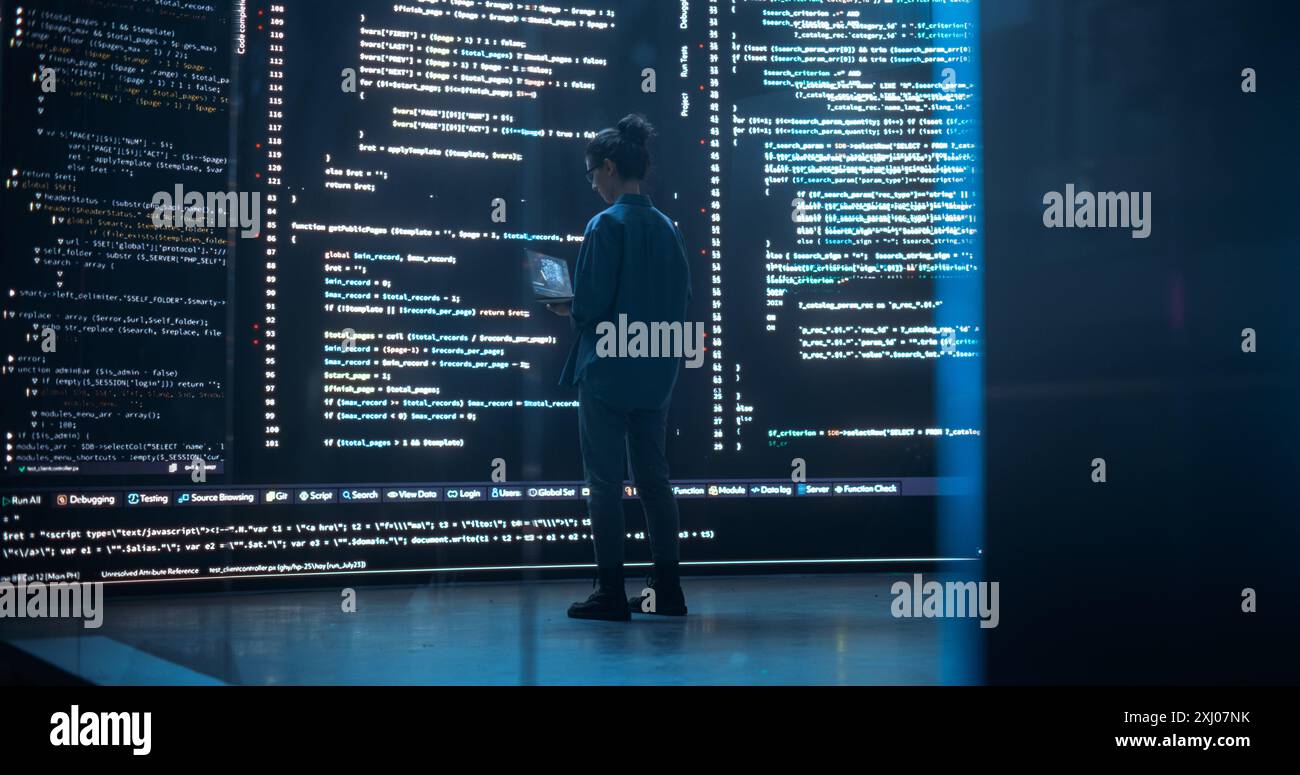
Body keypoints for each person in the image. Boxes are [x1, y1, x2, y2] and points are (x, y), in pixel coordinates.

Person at [547, 114, 691, 621]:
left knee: (604, 482)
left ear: (608, 167)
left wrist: (566, 305)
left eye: (592, 175)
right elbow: (682, 299)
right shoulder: (668, 227)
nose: (592, 185)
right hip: (657, 368)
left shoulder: (605, 225)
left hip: (607, 370)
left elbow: (590, 303)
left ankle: (609, 591)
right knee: (655, 479)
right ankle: (667, 590)